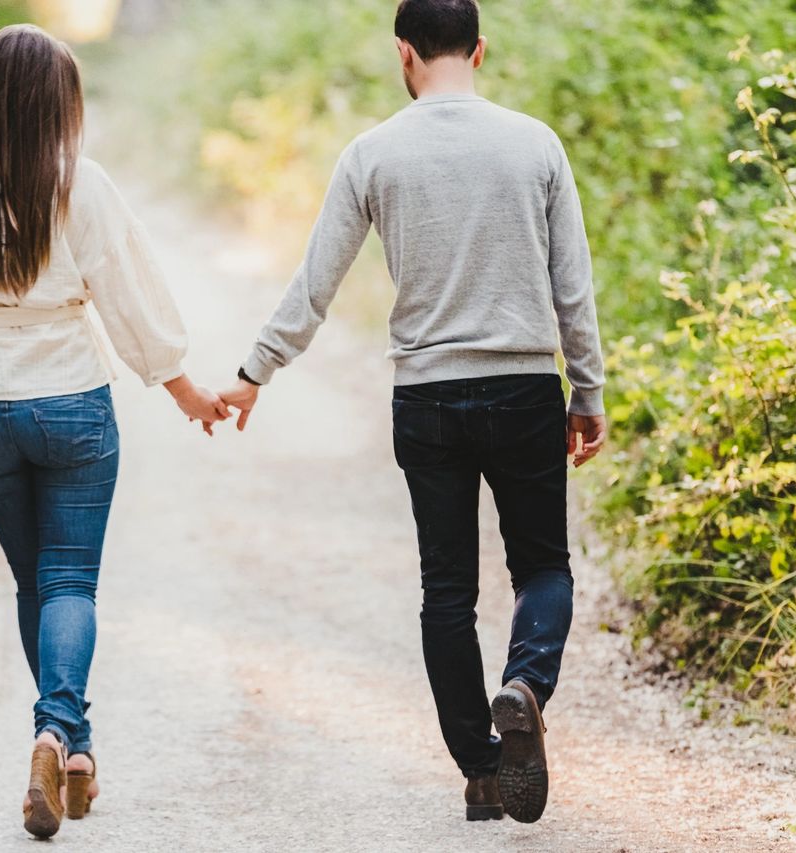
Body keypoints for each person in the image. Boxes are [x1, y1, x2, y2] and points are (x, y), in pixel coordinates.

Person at [219, 0, 607, 825]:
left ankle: (482, 766)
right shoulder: (535, 143)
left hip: (426, 397)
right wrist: (589, 391)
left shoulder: (373, 152)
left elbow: (315, 282)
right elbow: (572, 283)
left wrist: (256, 370)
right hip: (523, 388)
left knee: (446, 591)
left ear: (404, 53)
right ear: (480, 48)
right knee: (541, 567)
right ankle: (526, 684)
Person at [0, 24, 228, 839]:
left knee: (35, 585)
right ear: (58, 103)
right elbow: (129, 294)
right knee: (71, 579)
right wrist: (182, 388)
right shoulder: (81, 184)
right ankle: (58, 734)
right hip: (73, 396)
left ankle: (70, 743)